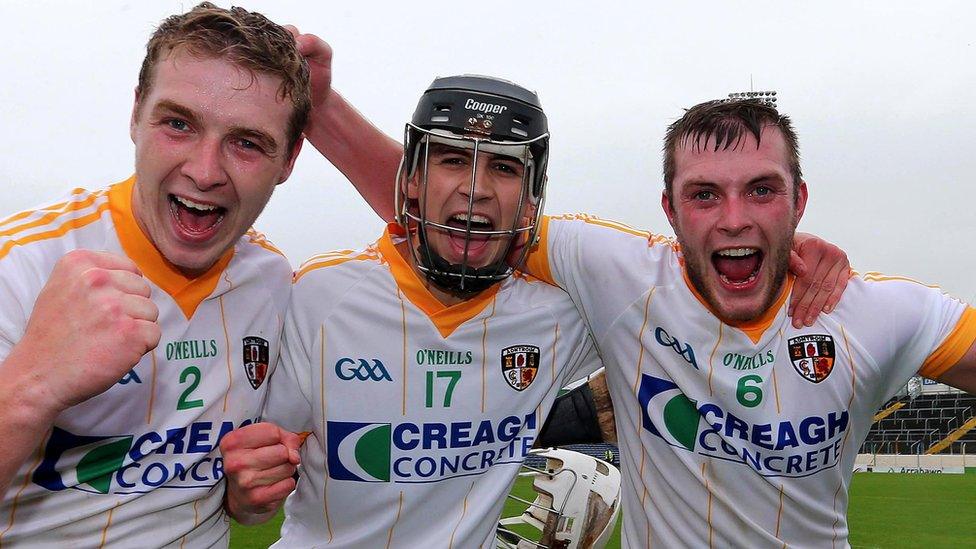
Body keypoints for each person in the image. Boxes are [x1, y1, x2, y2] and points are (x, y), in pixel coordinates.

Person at [298, 42, 975, 546]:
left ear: (799, 200)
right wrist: (321, 109)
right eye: (704, 194)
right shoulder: (615, 276)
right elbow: (463, 215)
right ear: (669, 210)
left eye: (761, 191)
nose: (734, 217)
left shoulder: (879, 313)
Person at [221, 73, 613, 547]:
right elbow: (253, 492)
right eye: (452, 159)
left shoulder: (559, 314)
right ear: (410, 180)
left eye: (505, 168)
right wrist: (247, 495)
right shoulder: (319, 295)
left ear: (531, 202)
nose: (477, 188)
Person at [0, 3, 308, 546]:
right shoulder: (19, 263)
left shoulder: (273, 281)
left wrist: (248, 495)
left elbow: (239, 503)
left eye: (247, 142)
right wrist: (28, 388)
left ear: (288, 161)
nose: (204, 171)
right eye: (178, 124)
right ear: (136, 114)